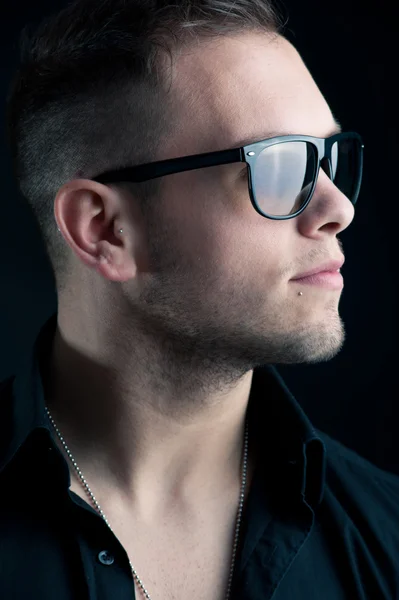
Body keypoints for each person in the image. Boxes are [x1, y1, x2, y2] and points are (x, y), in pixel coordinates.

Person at [1, 0, 398, 598]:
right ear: (106, 230)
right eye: (280, 167)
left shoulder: (386, 540)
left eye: (330, 160)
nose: (338, 209)